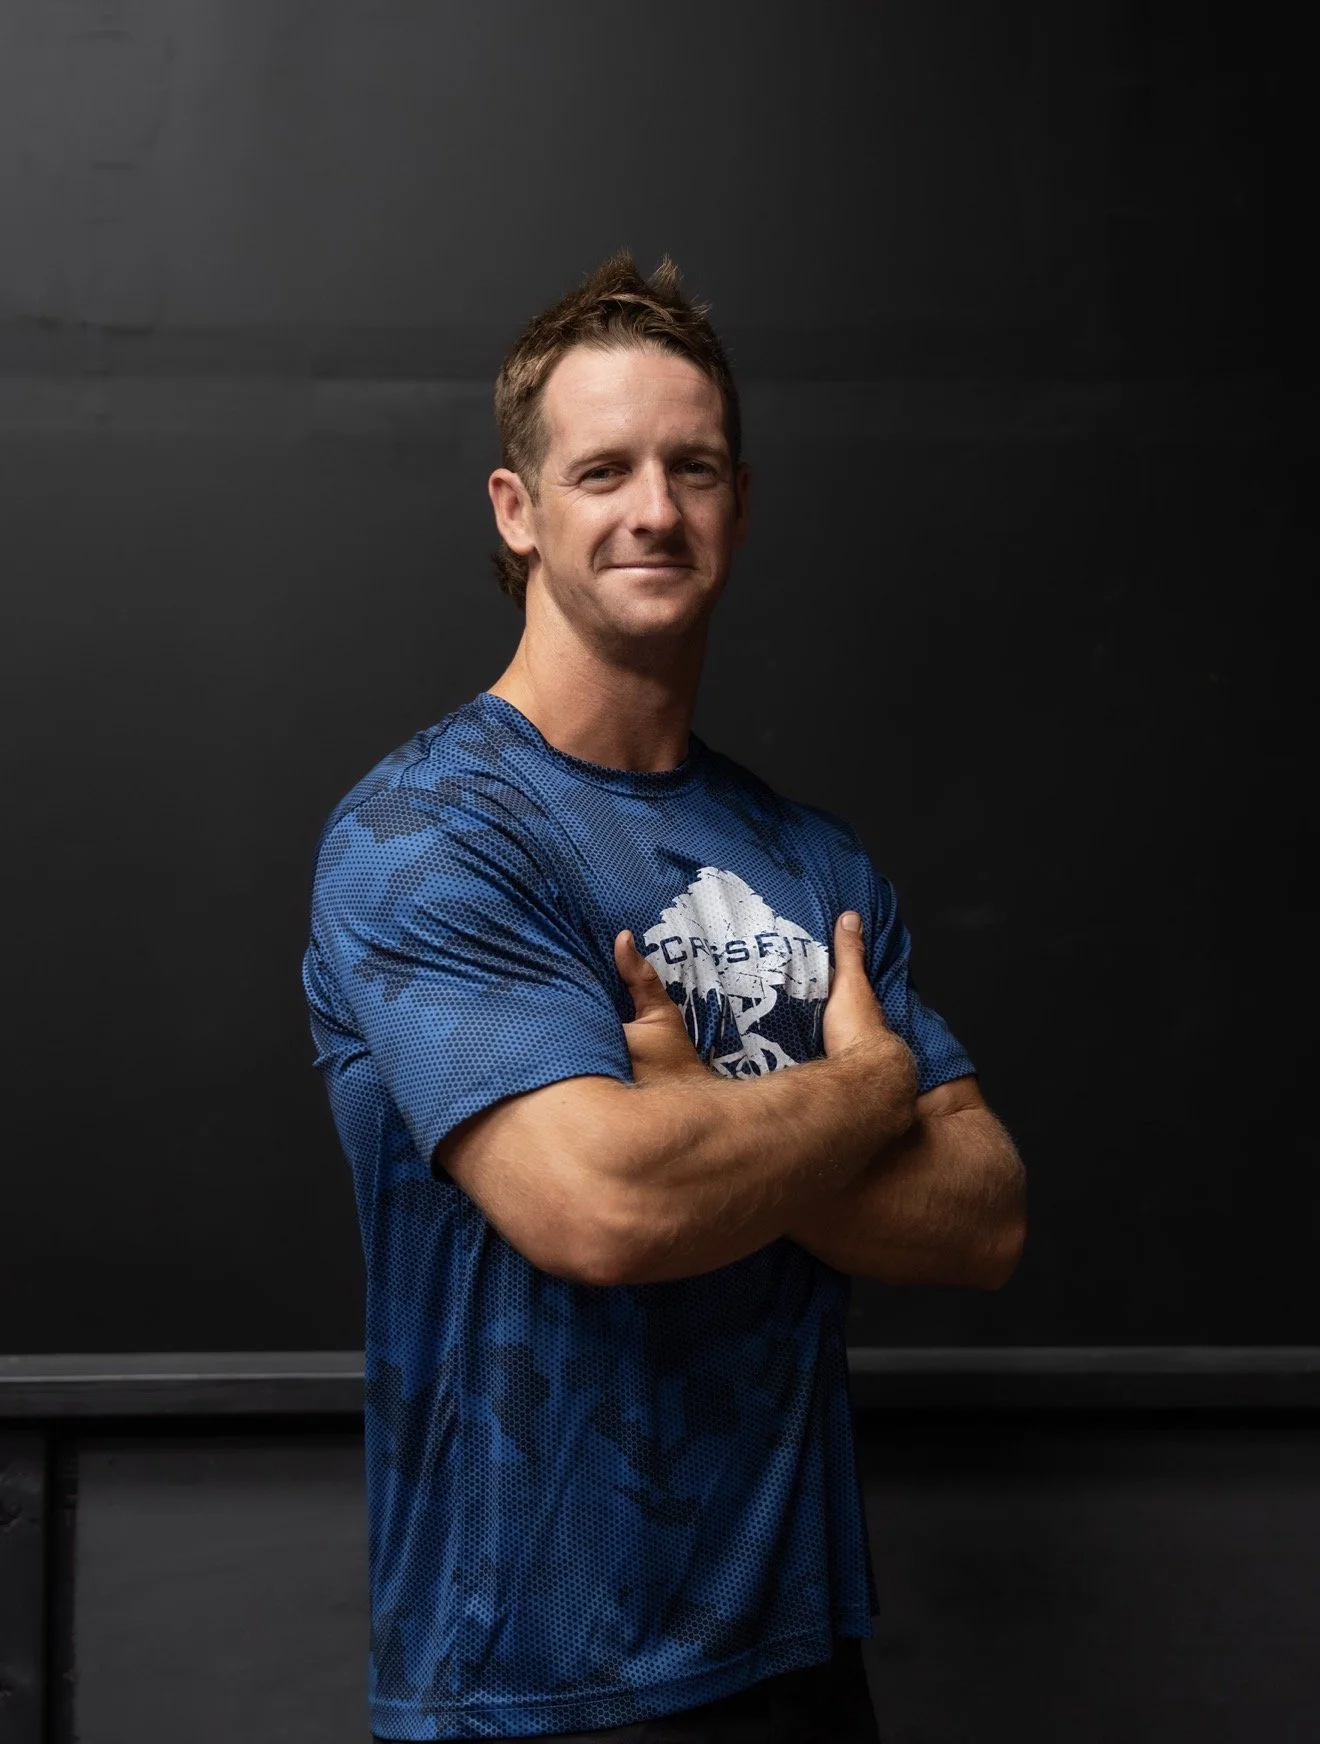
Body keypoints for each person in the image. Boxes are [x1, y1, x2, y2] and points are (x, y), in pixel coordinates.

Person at [302, 252, 1026, 1744]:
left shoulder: (811, 857)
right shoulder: (430, 834)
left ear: (738, 506)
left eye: (692, 469)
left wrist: (715, 1127)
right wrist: (866, 1087)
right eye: (604, 471)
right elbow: (607, 1207)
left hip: (800, 1655)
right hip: (530, 1685)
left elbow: (983, 1217)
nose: (654, 510)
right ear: (519, 511)